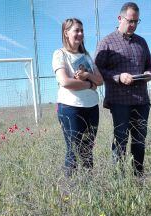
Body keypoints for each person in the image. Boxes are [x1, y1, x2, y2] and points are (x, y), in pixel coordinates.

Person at [95, 2, 151, 176]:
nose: (133, 25)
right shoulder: (106, 42)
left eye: (136, 21)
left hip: (141, 101)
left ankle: (138, 176)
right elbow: (97, 70)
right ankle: (119, 179)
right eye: (130, 21)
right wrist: (118, 77)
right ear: (120, 18)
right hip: (119, 101)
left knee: (139, 140)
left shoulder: (141, 42)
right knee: (120, 139)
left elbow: (150, 65)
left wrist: (149, 73)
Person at [52, 18, 104, 177]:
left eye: (82, 30)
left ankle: (89, 188)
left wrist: (87, 75)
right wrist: (89, 84)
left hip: (92, 108)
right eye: (76, 30)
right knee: (73, 151)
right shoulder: (60, 54)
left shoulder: (87, 55)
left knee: (88, 150)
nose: (80, 34)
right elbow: (65, 82)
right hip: (70, 109)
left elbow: (100, 80)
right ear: (66, 33)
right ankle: (71, 189)